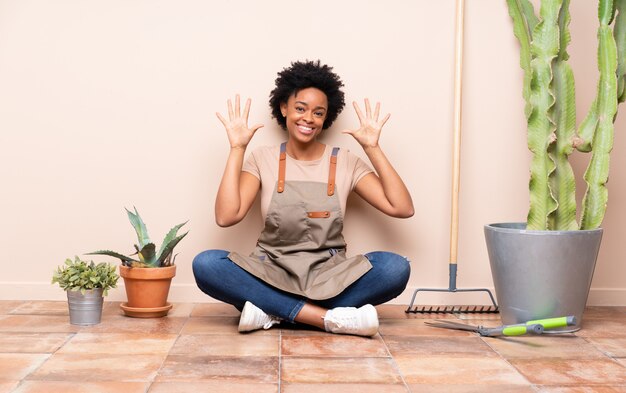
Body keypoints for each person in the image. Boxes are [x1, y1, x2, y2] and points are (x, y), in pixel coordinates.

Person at [193, 60, 414, 337]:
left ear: (326, 118)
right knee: (206, 264)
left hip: (330, 275)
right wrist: (237, 148)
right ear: (284, 108)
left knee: (395, 268)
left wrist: (373, 148)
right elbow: (227, 216)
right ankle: (325, 319)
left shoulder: (345, 161)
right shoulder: (263, 158)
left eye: (318, 112)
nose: (308, 118)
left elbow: (402, 208)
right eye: (300, 108)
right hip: (271, 272)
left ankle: (273, 311)